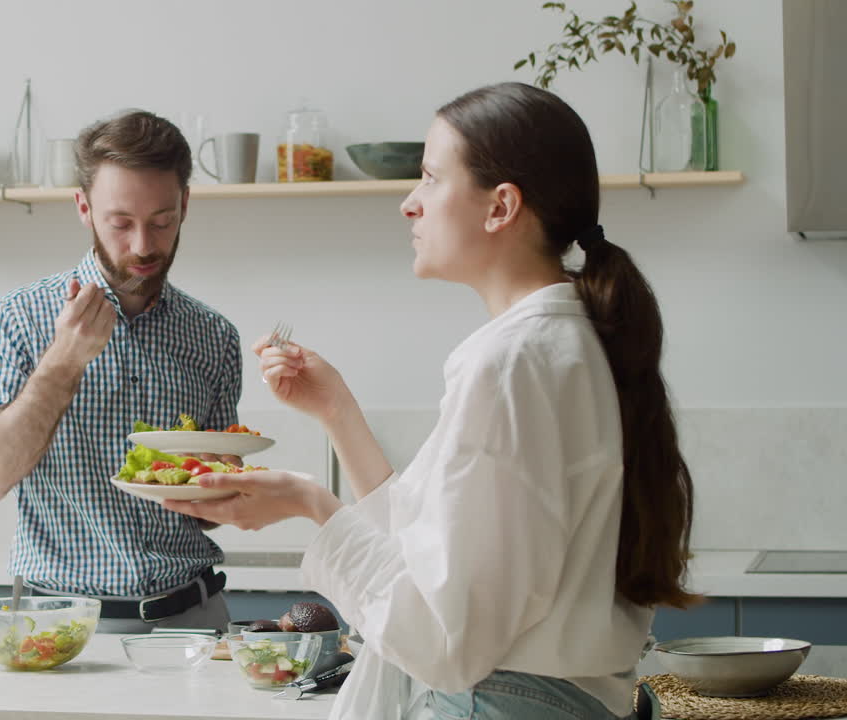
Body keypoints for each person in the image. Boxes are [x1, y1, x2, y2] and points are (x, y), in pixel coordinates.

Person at [164, 82, 696, 719]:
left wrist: (311, 504)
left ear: (500, 207)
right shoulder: (570, 339)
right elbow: (438, 551)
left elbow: (445, 641)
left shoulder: (510, 361)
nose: (408, 205)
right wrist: (337, 412)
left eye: (430, 178)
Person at [0, 110, 242, 634]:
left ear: (185, 205)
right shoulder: (17, 318)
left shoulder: (214, 336)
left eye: (162, 221)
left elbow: (210, 509)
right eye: (120, 222)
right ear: (84, 208)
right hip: (61, 629)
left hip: (197, 620)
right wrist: (63, 361)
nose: (142, 245)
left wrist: (227, 485)